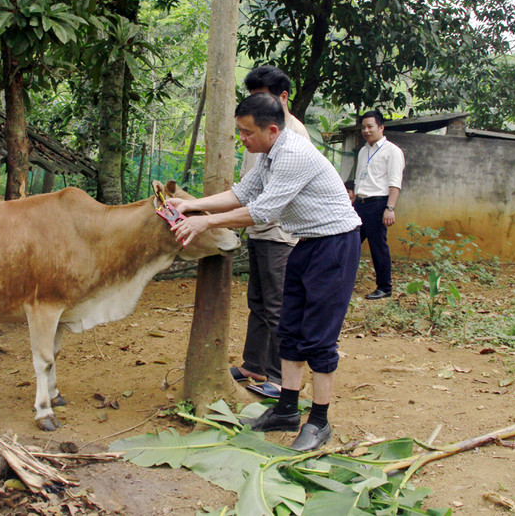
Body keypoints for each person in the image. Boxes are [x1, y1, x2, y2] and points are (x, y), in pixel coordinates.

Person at [168, 89, 361, 452]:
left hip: (335, 246)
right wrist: (191, 206)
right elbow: (242, 193)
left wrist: (205, 223)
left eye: (247, 132)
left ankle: (319, 421)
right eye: (239, 131)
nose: (242, 138)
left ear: (272, 130)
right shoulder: (268, 155)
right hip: (306, 242)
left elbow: (262, 211)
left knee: (319, 338)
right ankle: (286, 410)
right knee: (289, 329)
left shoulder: (292, 154)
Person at [230, 66, 311, 401]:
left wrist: (211, 221)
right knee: (258, 302)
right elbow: (246, 188)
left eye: (261, 98)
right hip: (259, 229)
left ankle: (279, 377)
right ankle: (254, 365)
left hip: (280, 233)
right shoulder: (257, 128)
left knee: (278, 305)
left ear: (283, 98)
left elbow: (272, 201)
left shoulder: (292, 134)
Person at [350, 110, 405, 300]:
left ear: (381, 127)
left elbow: (395, 182)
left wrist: (390, 208)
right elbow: (359, 178)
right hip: (360, 203)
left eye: (370, 126)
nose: (366, 131)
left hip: (378, 204)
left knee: (377, 246)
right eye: (363, 127)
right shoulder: (363, 150)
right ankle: (343, 281)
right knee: (349, 243)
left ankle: (384, 287)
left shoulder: (393, 151)